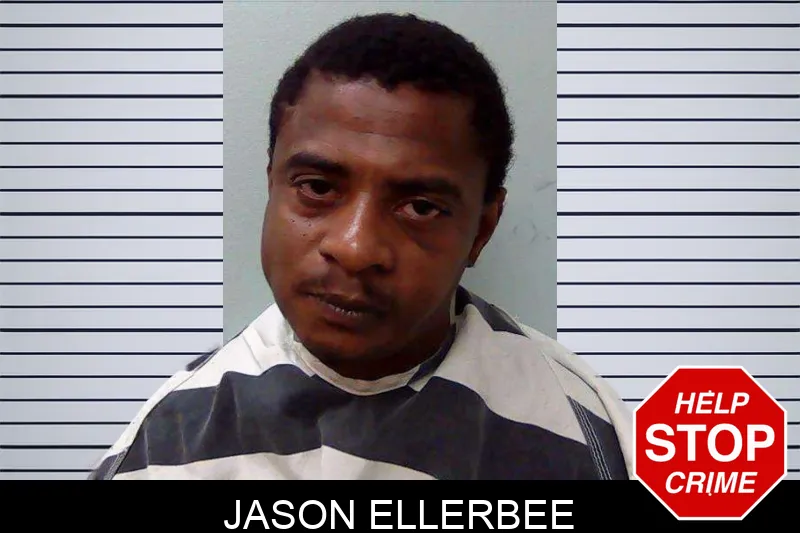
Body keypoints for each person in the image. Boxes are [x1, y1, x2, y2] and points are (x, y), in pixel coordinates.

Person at [88, 12, 632, 480]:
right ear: (272, 183)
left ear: (482, 229)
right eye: (317, 188)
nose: (355, 248)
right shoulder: (170, 443)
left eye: (420, 207)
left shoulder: (586, 432)